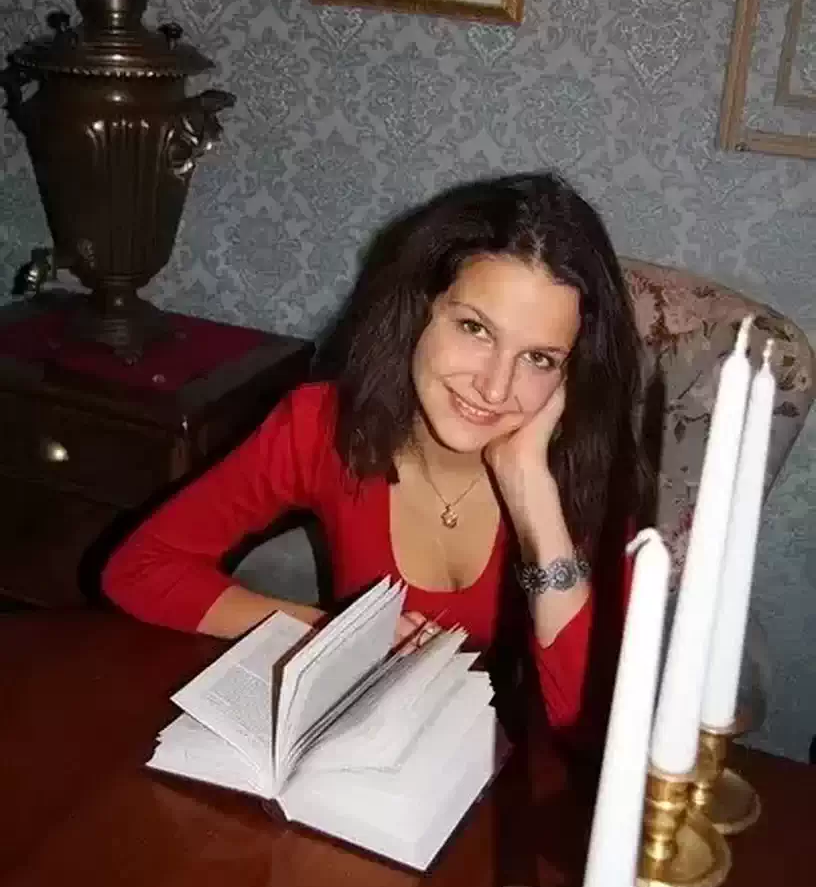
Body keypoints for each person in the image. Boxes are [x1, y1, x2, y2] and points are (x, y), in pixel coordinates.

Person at [102, 172, 649, 748]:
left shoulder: (587, 477)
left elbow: (590, 727)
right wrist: (332, 636)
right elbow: (137, 570)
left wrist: (534, 497)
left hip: (508, 771)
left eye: (539, 358)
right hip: (359, 753)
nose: (494, 387)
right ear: (417, 312)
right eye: (474, 328)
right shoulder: (324, 426)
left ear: (571, 373)